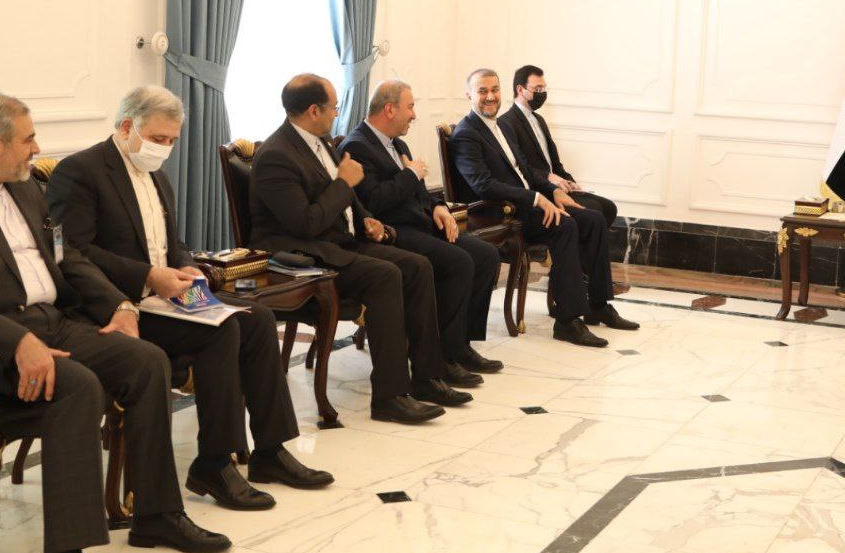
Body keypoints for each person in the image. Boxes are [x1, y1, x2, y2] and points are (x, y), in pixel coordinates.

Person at [0, 92, 229, 553]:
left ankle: (156, 515)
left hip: (54, 320)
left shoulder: (26, 187)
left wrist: (120, 305)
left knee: (146, 361)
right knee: (77, 386)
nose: (37, 148)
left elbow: (66, 257)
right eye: (28, 139)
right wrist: (17, 341)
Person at [46, 86, 333, 512]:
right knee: (221, 331)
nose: (165, 148)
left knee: (256, 318)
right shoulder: (81, 172)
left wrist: (186, 267)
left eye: (172, 140)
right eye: (157, 138)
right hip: (115, 304)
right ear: (127, 127)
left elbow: (171, 243)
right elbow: (73, 251)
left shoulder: (157, 175)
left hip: (165, 296)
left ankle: (270, 451)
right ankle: (214, 463)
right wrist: (147, 276)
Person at [248, 74, 470, 423]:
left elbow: (347, 197)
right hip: (302, 255)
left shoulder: (322, 141)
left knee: (418, 266)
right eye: (334, 107)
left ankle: (427, 378)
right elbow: (305, 223)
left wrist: (366, 218)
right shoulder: (276, 155)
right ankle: (389, 397)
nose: (337, 113)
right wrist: (342, 182)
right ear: (313, 111)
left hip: (338, 242)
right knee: (386, 275)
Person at [450, 69, 638, 348]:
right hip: (503, 212)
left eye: (494, 90)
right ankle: (567, 322)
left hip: (527, 204)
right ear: (469, 95)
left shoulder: (502, 127)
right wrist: (536, 198)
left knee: (593, 219)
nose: (490, 97)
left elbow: (526, 170)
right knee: (565, 226)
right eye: (482, 91)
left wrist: (554, 190)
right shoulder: (466, 134)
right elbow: (483, 185)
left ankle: (597, 306)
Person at [339, 80, 503, 373]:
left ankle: (462, 344)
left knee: (486, 255)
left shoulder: (398, 143)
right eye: (410, 107)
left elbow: (420, 192)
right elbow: (373, 202)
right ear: (390, 109)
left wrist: (438, 206)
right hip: (392, 232)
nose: (414, 115)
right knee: (458, 261)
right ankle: (443, 355)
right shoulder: (356, 146)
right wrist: (411, 174)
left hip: (420, 223)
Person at [500, 64, 617, 226]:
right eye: (538, 89)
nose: (542, 93)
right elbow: (518, 166)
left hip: (557, 187)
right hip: (540, 191)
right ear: (520, 89)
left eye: (544, 89)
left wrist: (569, 181)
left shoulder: (539, 120)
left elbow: (554, 164)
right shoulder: (506, 122)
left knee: (609, 208)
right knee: (594, 211)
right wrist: (548, 177)